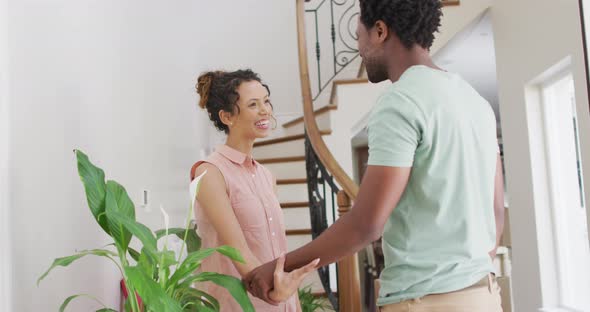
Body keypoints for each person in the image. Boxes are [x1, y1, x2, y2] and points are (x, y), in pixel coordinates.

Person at [244, 0, 505, 311]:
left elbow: (366, 224)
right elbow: (496, 212)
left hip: (425, 302)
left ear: (380, 31)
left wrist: (281, 266)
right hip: (483, 296)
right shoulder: (474, 100)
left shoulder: (400, 102)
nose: (359, 49)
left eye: (359, 36)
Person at [191, 69, 319, 312]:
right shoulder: (210, 173)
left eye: (266, 101)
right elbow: (237, 249)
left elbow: (279, 251)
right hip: (242, 305)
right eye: (253, 104)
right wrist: (272, 292)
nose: (265, 111)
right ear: (227, 117)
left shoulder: (266, 176)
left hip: (282, 303)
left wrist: (291, 301)